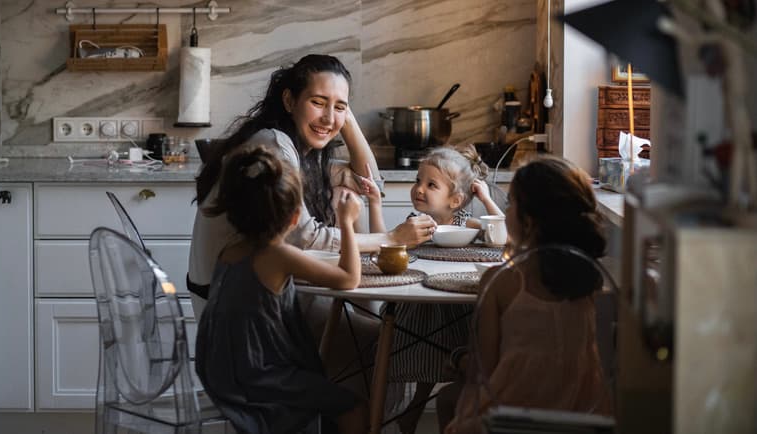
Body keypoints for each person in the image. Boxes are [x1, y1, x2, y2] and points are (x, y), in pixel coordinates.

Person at [188, 54, 437, 314]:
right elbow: (305, 237)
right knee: (377, 345)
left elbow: (369, 183)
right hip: (234, 303)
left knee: (345, 192)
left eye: (340, 108)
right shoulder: (273, 145)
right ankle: (372, 323)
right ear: (289, 100)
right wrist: (391, 238)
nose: (329, 119)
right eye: (318, 102)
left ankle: (370, 318)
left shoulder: (298, 150)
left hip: (255, 289)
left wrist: (343, 117)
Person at [195, 145, 369, 434]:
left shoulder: (229, 252)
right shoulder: (278, 255)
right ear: (294, 218)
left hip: (222, 373)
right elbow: (349, 278)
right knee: (353, 406)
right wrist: (347, 221)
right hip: (261, 378)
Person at [437, 156, 612, 434]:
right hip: (582, 417)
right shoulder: (589, 278)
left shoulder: (501, 281)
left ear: (528, 222)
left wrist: (457, 359)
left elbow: (483, 371)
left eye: (510, 204)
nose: (506, 212)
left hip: (513, 418)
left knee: (449, 403)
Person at [361, 145, 504, 434]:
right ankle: (413, 410)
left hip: (454, 308)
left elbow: (504, 236)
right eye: (418, 180)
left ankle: (436, 412)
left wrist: (486, 198)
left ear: (455, 200)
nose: (419, 189)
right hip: (417, 308)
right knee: (425, 344)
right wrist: (375, 203)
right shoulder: (414, 225)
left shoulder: (469, 225)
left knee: (451, 347)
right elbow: (384, 247)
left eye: (431, 185)